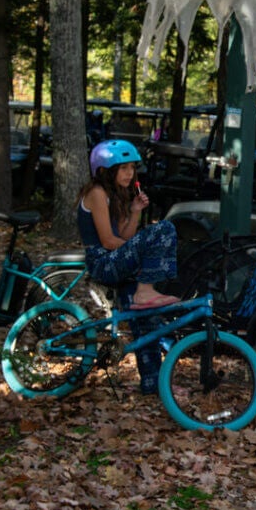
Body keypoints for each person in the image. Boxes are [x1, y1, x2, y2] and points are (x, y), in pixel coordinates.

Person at [77, 139, 180, 394]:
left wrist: (134, 211)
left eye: (132, 168)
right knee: (165, 229)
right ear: (104, 171)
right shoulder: (97, 193)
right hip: (103, 261)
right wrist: (139, 250)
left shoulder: (117, 195)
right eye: (123, 168)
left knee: (145, 320)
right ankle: (146, 290)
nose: (129, 173)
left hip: (116, 260)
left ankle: (152, 383)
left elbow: (124, 233)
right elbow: (109, 241)